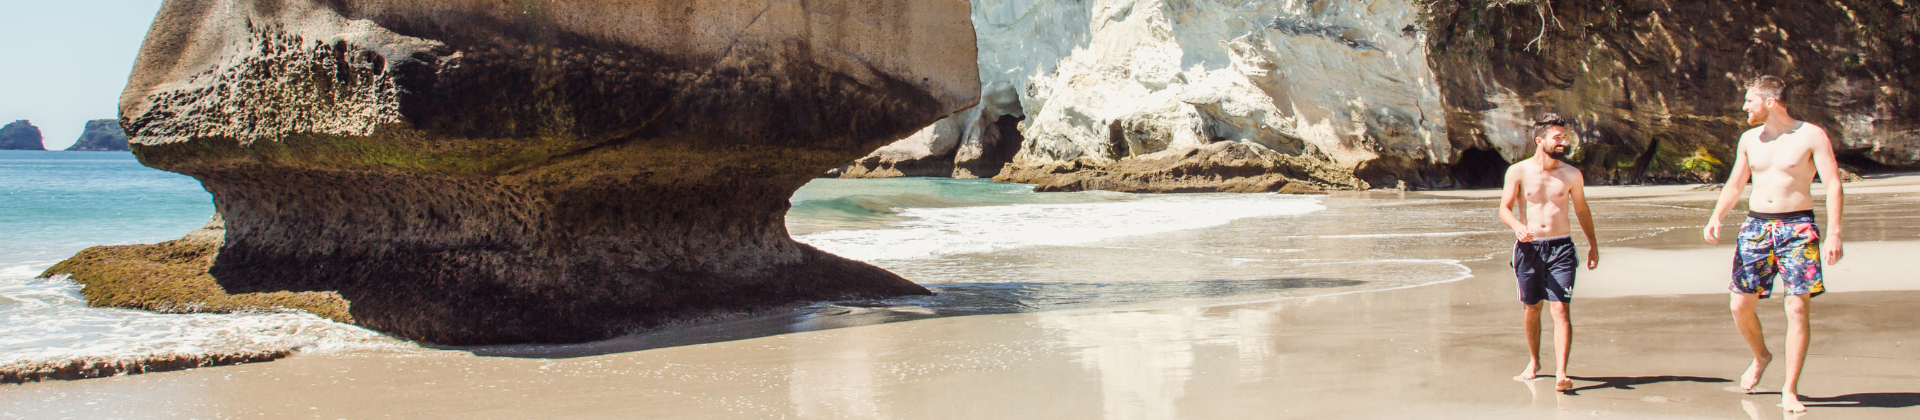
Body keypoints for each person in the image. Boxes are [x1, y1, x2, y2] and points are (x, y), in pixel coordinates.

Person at [1702, 75, 1845, 413]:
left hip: (1798, 228)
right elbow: (1736, 184)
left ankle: (1789, 389)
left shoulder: (1811, 135)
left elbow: (1834, 185)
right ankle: (1760, 356)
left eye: (1749, 101)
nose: (1743, 107)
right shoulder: (1750, 139)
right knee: (1740, 306)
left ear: (1768, 102)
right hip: (1756, 227)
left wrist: (1835, 233)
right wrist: (1716, 216)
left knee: (1796, 308)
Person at [1499, 113, 1600, 392]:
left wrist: (1592, 244)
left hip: (1561, 248)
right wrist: (1518, 226)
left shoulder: (1571, 174)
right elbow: (1504, 208)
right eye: (1557, 137)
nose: (1562, 142)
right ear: (1539, 139)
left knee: (1560, 309)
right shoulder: (1518, 172)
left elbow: (1581, 209)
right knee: (1532, 307)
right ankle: (1533, 362)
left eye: (1564, 137)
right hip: (1529, 249)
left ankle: (1561, 373)